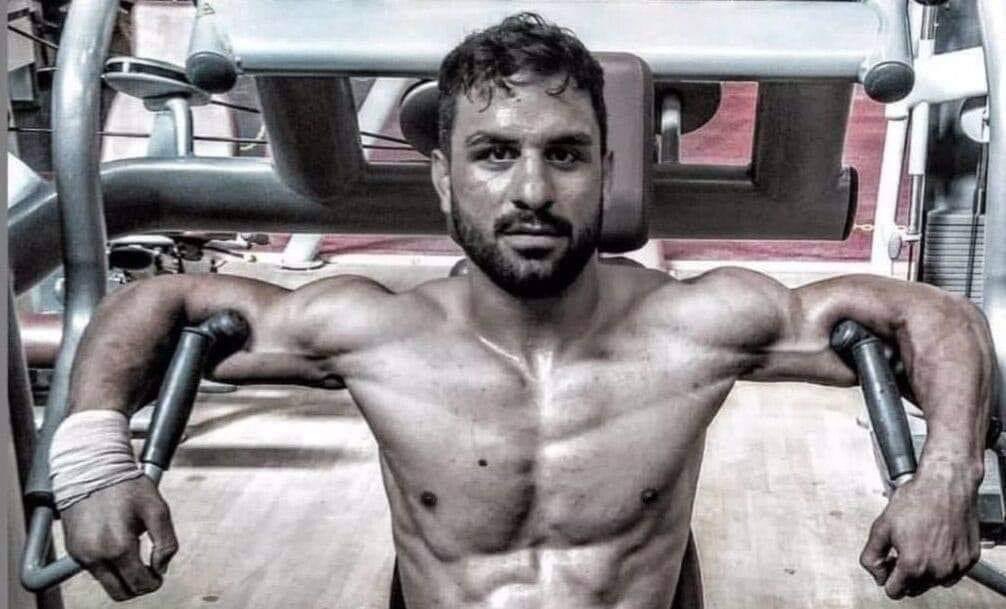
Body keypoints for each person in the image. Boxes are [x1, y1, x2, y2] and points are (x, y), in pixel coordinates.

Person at [51, 12, 993, 608]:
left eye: (566, 154)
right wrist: (93, 468)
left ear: (608, 172)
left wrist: (945, 476)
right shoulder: (375, 331)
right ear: (442, 176)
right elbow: (160, 299)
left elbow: (934, 316)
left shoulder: (696, 325)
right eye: (495, 153)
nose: (533, 191)